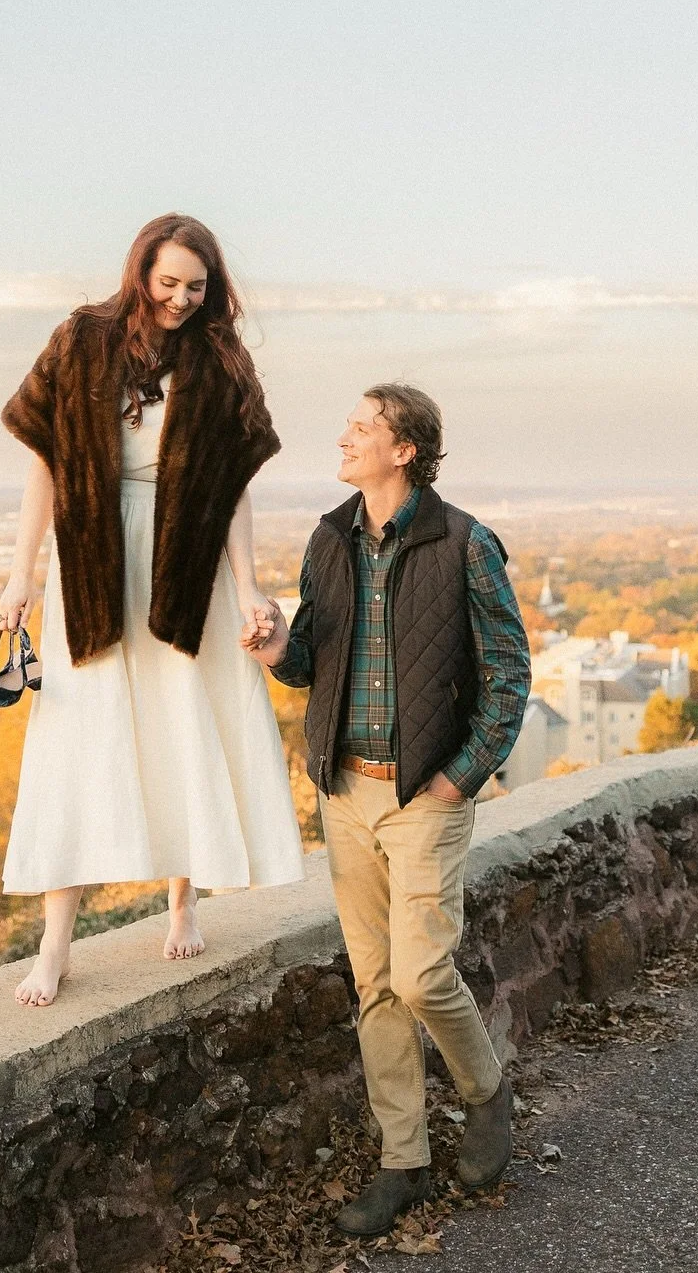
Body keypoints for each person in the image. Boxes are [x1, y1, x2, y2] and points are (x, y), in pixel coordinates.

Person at [0, 213, 305, 1007]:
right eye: (167, 282)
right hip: (93, 555)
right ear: (140, 273)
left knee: (183, 714)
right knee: (76, 732)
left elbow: (234, 486)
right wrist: (20, 575)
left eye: (196, 286)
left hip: (186, 556)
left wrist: (247, 584)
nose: (180, 298)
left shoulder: (220, 356)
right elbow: (44, 466)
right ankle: (54, 945)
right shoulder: (81, 338)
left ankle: (183, 898)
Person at [245, 384, 531, 1238]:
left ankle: (486, 1092)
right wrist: (272, 650)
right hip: (345, 791)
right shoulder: (329, 538)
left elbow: (510, 676)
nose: (344, 437)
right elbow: (309, 661)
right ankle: (401, 1160)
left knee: (420, 974)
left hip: (423, 796)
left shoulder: (466, 543)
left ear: (404, 449)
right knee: (374, 984)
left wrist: (458, 778)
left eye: (362, 427)